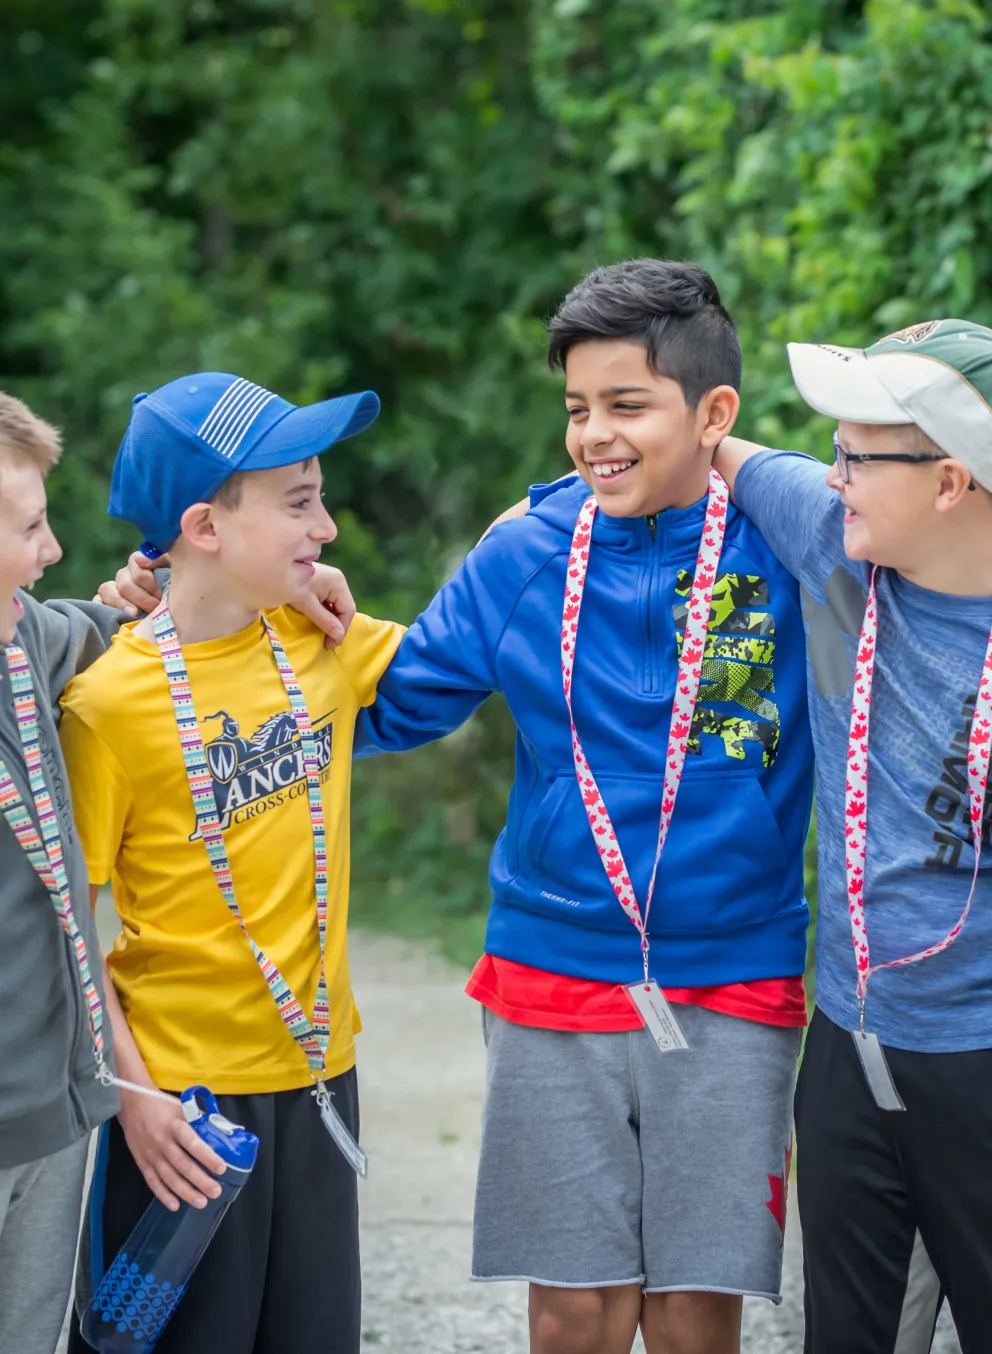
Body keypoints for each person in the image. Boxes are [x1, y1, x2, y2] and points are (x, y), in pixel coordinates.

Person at [351, 260, 814, 1354]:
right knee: (572, 1306)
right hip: (551, 964)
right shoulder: (524, 550)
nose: (593, 435)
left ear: (713, 414)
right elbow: (391, 703)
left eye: (627, 404)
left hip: (735, 970)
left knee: (695, 1308)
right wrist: (257, 618)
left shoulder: (786, 552)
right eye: (576, 408)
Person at [59, 372, 404, 1354]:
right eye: (299, 502)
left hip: (320, 1075)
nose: (326, 528)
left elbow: (472, 649)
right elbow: (66, 924)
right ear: (205, 526)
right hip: (179, 1110)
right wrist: (131, 1097)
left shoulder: (319, 638)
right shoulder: (106, 702)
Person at [710, 320, 992, 1354]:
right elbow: (698, 445)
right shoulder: (833, 539)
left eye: (857, 457)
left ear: (949, 482)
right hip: (847, 1040)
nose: (832, 478)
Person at [0, 391, 126, 1354]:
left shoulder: (25, 639)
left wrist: (139, 595)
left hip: (54, 1103)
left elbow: (98, 624)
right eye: (29, 529)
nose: (52, 549)